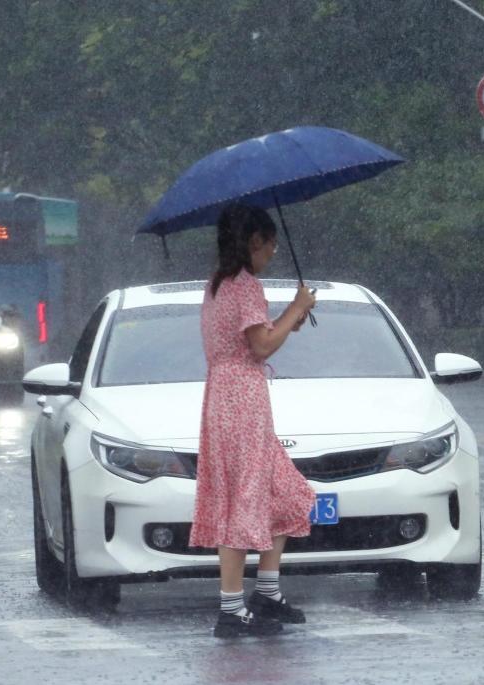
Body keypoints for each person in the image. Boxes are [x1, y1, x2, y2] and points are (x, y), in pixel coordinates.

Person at [190, 203, 318, 638]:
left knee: (282, 493)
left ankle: (266, 592)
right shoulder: (245, 286)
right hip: (240, 398)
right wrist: (297, 304)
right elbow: (261, 347)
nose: (275, 251)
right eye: (270, 243)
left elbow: (257, 339)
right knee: (243, 499)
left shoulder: (218, 284)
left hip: (227, 395)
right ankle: (231, 608)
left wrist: (289, 319)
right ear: (253, 242)